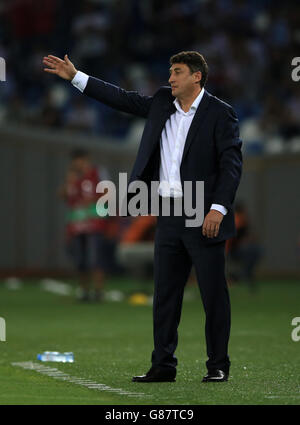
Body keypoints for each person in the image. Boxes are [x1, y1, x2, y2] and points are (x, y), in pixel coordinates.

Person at [43, 51, 242, 382]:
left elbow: (231, 166)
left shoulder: (221, 114)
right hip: (167, 212)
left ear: (197, 77)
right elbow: (120, 98)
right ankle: (163, 365)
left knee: (213, 294)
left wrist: (218, 209)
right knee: (165, 294)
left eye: (177, 72)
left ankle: (218, 365)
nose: (170, 78)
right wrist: (76, 77)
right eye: (170, 71)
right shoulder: (163, 102)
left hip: (201, 213)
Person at [59, 149, 110, 302]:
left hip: (95, 221)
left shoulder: (97, 172)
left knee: (95, 257)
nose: (77, 163)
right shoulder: (74, 177)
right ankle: (83, 291)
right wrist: (69, 182)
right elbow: (63, 195)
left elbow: (108, 192)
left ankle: (98, 291)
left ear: (86, 159)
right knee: (80, 259)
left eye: (80, 160)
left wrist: (94, 201)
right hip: (77, 223)